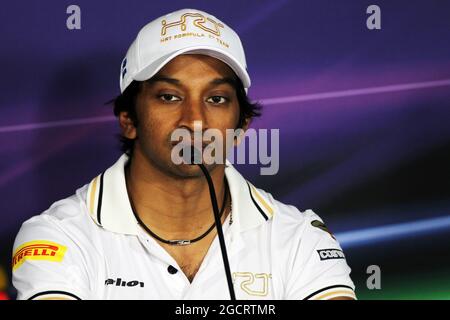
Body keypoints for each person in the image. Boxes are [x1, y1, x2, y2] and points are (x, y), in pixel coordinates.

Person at [11, 8, 355, 300]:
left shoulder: (299, 238)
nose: (194, 119)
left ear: (242, 125)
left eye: (216, 98)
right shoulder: (57, 237)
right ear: (128, 119)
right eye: (169, 96)